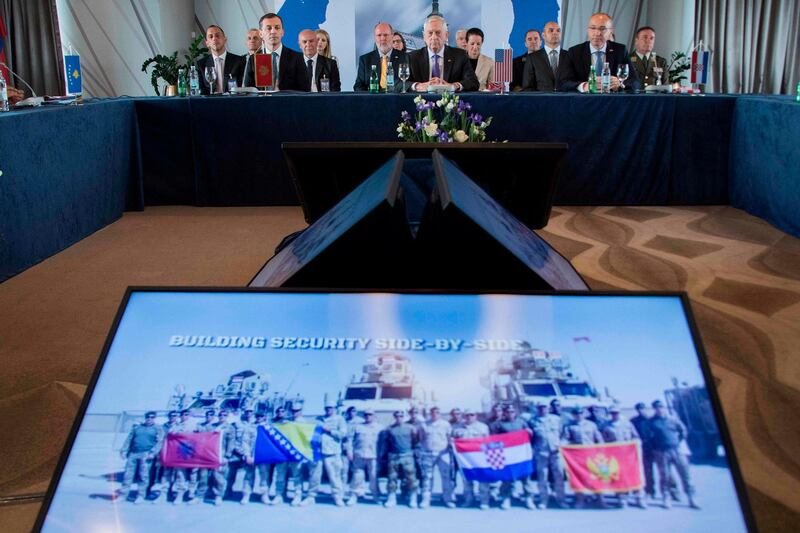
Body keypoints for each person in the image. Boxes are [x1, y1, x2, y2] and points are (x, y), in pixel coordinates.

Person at [559, 12, 639, 92]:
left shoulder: (620, 50)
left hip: (612, 101)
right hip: (583, 101)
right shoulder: (575, 52)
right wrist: (584, 86)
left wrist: (620, 84)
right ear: (588, 30)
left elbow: (635, 82)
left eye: (602, 29)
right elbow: (563, 83)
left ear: (611, 31)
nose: (597, 33)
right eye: (593, 28)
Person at [406, 15, 478, 92]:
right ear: (424, 36)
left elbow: (473, 82)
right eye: (430, 33)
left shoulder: (460, 56)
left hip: (451, 102)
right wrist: (417, 86)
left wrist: (453, 86)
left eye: (438, 33)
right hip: (420, 102)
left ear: (446, 35)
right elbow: (398, 83)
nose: (434, 37)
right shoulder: (412, 57)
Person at [649, 400, 700, 509]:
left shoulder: (673, 419)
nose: (659, 409)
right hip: (661, 452)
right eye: (657, 407)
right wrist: (655, 448)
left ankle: (691, 498)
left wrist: (677, 441)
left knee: (685, 475)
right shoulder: (652, 422)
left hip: (677, 450)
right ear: (654, 409)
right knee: (665, 476)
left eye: (661, 407)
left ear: (664, 408)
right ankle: (666, 498)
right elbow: (649, 437)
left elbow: (683, 431)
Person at [490, 404, 535, 510]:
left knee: (525, 476)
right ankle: (506, 498)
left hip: (522, 454)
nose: (510, 413)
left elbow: (530, 435)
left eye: (512, 411)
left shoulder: (521, 422)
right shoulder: (498, 424)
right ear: (504, 413)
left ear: (515, 412)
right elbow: (493, 439)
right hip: (508, 454)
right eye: (508, 411)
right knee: (508, 477)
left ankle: (529, 498)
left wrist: (529, 433)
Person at [602, 406, 646, 508]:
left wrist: (636, 445)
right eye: (613, 413)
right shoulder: (606, 426)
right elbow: (603, 441)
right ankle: (622, 498)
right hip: (615, 456)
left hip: (629, 455)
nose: (615, 415)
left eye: (616, 413)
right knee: (619, 477)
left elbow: (635, 437)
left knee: (634, 475)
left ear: (620, 413)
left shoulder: (627, 424)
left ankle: (639, 498)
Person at [250, 13, 307, 91]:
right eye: (269, 28)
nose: (273, 31)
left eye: (277, 28)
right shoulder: (253, 59)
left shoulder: (297, 58)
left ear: (282, 32)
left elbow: (304, 90)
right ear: (261, 33)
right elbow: (248, 90)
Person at [561, 407, 604, 508]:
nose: (579, 415)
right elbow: (566, 439)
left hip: (591, 456)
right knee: (578, 478)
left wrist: (601, 451)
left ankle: (600, 499)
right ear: (573, 415)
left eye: (581, 413)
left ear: (584, 414)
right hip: (577, 456)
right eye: (576, 414)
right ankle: (580, 500)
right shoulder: (569, 426)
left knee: (596, 477)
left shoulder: (591, 425)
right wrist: (562, 444)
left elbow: (599, 439)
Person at [305, 402, 347, 506]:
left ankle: (337, 497)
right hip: (317, 452)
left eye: (331, 408)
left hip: (332, 452)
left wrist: (329, 430)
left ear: (335, 408)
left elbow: (342, 434)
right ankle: (311, 496)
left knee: (334, 476)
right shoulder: (318, 419)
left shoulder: (340, 419)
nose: (328, 410)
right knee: (314, 475)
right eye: (327, 408)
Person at [118, 411, 164, 504]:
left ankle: (140, 495)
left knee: (143, 476)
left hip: (146, 454)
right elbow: (129, 439)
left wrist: (153, 453)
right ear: (145, 417)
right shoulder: (137, 427)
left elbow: (159, 442)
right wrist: (123, 450)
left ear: (154, 418)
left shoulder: (158, 428)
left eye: (152, 417)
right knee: (128, 475)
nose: (149, 419)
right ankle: (123, 495)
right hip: (133, 453)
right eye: (148, 417)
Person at [196, 408, 237, 505]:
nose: (222, 417)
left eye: (224, 415)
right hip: (207, 455)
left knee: (218, 477)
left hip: (220, 455)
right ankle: (200, 495)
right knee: (203, 476)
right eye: (220, 415)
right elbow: (202, 436)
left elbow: (231, 443)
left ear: (227, 416)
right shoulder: (211, 427)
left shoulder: (230, 428)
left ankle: (218, 496)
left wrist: (227, 456)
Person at [452, 408, 490, 510]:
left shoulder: (483, 427)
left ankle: (484, 501)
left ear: (476, 416)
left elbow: (487, 442)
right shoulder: (457, 428)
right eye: (467, 415)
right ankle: (468, 500)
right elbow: (453, 441)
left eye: (472, 415)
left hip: (479, 458)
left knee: (483, 480)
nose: (469, 417)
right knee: (467, 480)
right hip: (465, 459)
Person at [530, 402, 565, 509]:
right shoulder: (533, 421)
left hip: (556, 452)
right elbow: (531, 437)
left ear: (549, 408)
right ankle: (543, 500)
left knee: (559, 475)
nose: (542, 409)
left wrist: (561, 444)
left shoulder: (557, 419)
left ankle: (561, 499)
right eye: (540, 407)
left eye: (544, 407)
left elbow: (563, 434)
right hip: (541, 452)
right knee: (542, 477)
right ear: (537, 409)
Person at [354, 22, 406, 92]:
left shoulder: (405, 57)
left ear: (392, 36)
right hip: (372, 100)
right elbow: (358, 86)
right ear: (375, 38)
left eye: (385, 35)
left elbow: (408, 83)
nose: (382, 38)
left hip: (398, 100)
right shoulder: (365, 60)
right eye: (379, 35)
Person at [419, 406, 455, 509]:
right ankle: (426, 499)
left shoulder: (446, 424)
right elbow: (421, 439)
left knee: (446, 477)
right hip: (428, 454)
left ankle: (447, 499)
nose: (435, 414)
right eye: (433, 412)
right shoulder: (424, 424)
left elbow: (449, 439)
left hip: (443, 454)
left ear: (440, 413)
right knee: (427, 477)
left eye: (437, 412)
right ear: (430, 413)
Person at [384, 409, 420, 508]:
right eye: (397, 416)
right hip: (394, 456)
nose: (399, 417)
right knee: (392, 477)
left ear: (404, 417)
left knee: (411, 477)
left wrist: (414, 452)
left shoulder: (411, 428)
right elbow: (387, 442)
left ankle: (413, 498)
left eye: (401, 416)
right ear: (394, 417)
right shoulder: (389, 429)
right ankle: (391, 498)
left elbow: (415, 441)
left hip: (407, 455)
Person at [346, 408, 382, 505]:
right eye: (366, 415)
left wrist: (381, 455)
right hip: (359, 454)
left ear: (374, 416)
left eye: (370, 414)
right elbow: (349, 440)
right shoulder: (357, 427)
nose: (368, 416)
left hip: (373, 456)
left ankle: (375, 496)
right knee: (357, 476)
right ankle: (353, 495)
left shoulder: (379, 428)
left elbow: (383, 443)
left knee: (373, 477)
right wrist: (349, 451)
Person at [195, 25, 243, 95]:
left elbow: (242, 87)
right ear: (207, 43)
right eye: (211, 37)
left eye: (217, 35)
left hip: (232, 101)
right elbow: (201, 90)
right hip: (210, 102)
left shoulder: (239, 61)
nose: (214, 38)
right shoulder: (201, 64)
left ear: (225, 39)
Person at [522, 21, 569, 92]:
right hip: (541, 101)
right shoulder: (532, 58)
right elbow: (528, 87)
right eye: (551, 30)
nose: (555, 33)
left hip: (567, 101)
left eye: (558, 31)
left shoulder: (569, 55)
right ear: (543, 35)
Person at [230, 409, 257, 504]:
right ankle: (226, 492)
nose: (249, 413)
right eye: (247, 411)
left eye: (251, 411)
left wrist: (249, 454)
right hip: (236, 452)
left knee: (249, 474)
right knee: (230, 474)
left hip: (250, 454)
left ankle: (246, 494)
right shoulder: (237, 424)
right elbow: (232, 438)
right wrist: (239, 452)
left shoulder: (256, 424)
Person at [153, 410, 179, 503]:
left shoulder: (180, 426)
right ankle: (163, 493)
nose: (173, 417)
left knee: (177, 475)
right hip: (165, 453)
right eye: (171, 415)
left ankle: (174, 493)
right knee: (165, 474)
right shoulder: (163, 427)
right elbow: (159, 440)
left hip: (177, 454)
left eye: (175, 415)